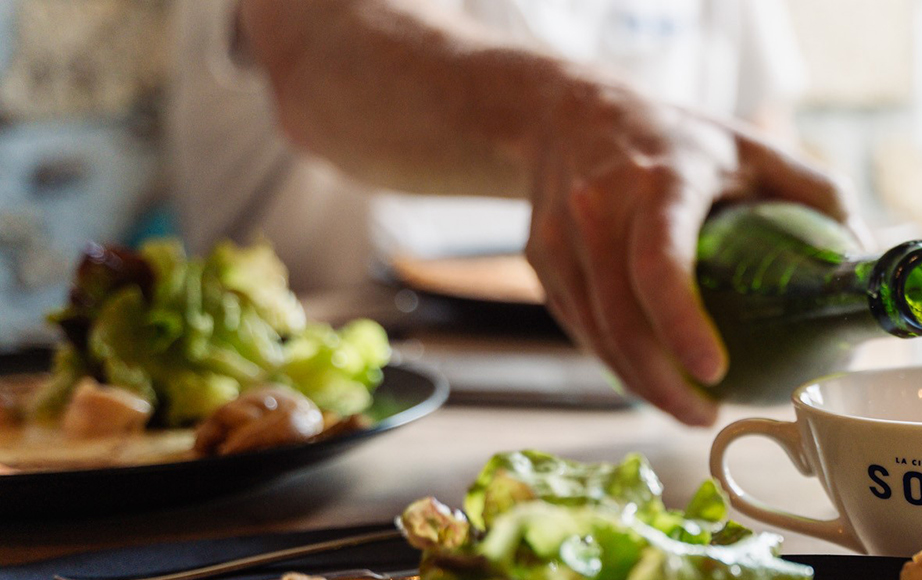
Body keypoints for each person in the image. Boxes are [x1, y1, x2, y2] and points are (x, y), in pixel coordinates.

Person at [168, 0, 849, 426]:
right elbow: (322, 52)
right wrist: (571, 122)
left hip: (644, 410)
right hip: (338, 428)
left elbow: (758, 141)